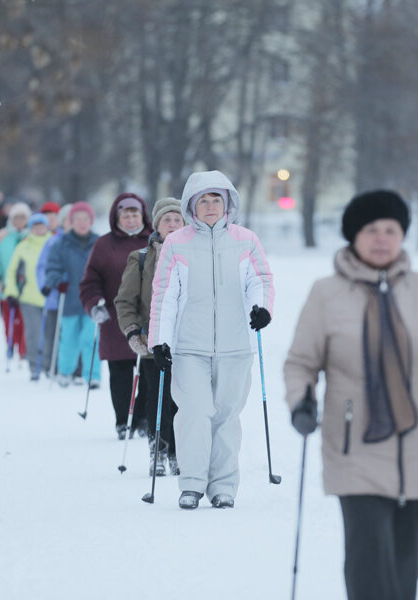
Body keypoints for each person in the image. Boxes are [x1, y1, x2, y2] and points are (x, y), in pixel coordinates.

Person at [282, 190, 418, 600]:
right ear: (353, 236)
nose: (382, 238)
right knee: (368, 569)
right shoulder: (326, 294)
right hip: (354, 449)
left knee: (405, 569)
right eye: (372, 230)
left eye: (391, 230)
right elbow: (301, 363)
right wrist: (301, 401)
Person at [147, 170, 274, 510]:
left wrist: (261, 307)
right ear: (192, 204)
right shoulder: (177, 243)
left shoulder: (245, 239)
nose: (210, 206)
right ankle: (191, 483)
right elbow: (165, 296)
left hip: (236, 346)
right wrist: (160, 340)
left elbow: (259, 279)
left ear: (227, 202)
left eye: (216, 199)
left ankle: (223, 486)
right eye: (203, 200)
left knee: (226, 416)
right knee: (194, 412)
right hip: (189, 346)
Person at [115, 197, 185, 477]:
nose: (172, 224)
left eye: (177, 219)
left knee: (183, 401)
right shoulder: (141, 257)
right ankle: (158, 449)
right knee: (158, 398)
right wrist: (133, 332)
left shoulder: (195, 254)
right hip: (153, 340)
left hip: (189, 341)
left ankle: (179, 453)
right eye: (166, 220)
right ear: (156, 224)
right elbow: (125, 301)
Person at [79, 193, 153, 440]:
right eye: (126, 215)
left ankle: (143, 418)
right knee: (120, 373)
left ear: (143, 216)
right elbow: (89, 282)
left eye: (135, 214)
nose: (131, 219)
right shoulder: (104, 245)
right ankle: (123, 421)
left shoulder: (155, 241)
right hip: (115, 319)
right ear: (116, 217)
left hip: (149, 319)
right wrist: (94, 304)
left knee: (147, 372)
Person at [44, 202, 102, 387]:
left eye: (86, 219)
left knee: (90, 338)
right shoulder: (61, 244)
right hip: (69, 298)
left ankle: (92, 375)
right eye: (78, 219)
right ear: (71, 221)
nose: (82, 223)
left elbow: (107, 268)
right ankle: (65, 372)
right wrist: (57, 280)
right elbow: (52, 268)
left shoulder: (99, 243)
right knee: (68, 339)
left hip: (92, 300)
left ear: (91, 221)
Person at [4, 213, 52, 380]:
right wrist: (11, 291)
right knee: (33, 334)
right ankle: (34, 367)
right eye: (35, 226)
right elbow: (12, 271)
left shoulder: (53, 243)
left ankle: (48, 365)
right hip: (28, 297)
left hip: (50, 297)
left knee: (49, 335)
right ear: (31, 228)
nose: (39, 229)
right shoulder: (23, 246)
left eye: (42, 226)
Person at [0, 202, 32, 363]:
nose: (19, 220)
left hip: (28, 287)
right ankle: (11, 343)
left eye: (23, 217)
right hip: (6, 284)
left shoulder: (32, 235)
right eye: (16, 217)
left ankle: (23, 349)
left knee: (25, 318)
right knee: (9, 318)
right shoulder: (2, 235)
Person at [36, 204, 72, 378]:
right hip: (55, 295)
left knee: (71, 334)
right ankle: (49, 365)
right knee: (52, 331)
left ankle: (73, 368)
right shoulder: (53, 241)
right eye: (68, 220)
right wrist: (46, 285)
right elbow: (43, 266)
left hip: (75, 298)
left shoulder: (85, 243)